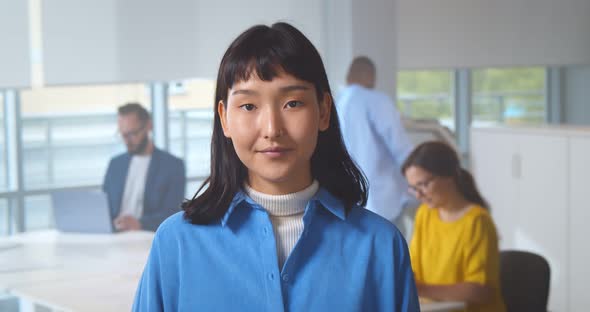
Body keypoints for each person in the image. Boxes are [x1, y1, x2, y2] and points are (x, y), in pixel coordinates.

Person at [132, 22, 419, 311]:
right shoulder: (177, 244)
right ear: (224, 118)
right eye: (248, 106)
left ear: (324, 111)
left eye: (292, 103)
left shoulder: (380, 246)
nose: (272, 129)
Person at [402, 141, 506, 312]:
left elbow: (480, 291)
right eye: (414, 188)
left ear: (448, 176)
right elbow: (413, 271)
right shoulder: (425, 214)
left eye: (423, 184)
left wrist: (421, 289)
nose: (419, 195)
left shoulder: (477, 221)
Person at [336, 56, 414, 230]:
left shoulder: (336, 104)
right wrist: (418, 180)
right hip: (382, 202)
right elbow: (400, 148)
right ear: (370, 76)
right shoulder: (376, 101)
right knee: (393, 253)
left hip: (349, 203)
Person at [103, 103, 186, 232]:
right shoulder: (115, 164)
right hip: (114, 236)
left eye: (132, 134)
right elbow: (105, 207)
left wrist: (140, 223)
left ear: (148, 126)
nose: (127, 141)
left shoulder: (173, 166)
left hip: (148, 236)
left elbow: (173, 214)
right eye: (123, 135)